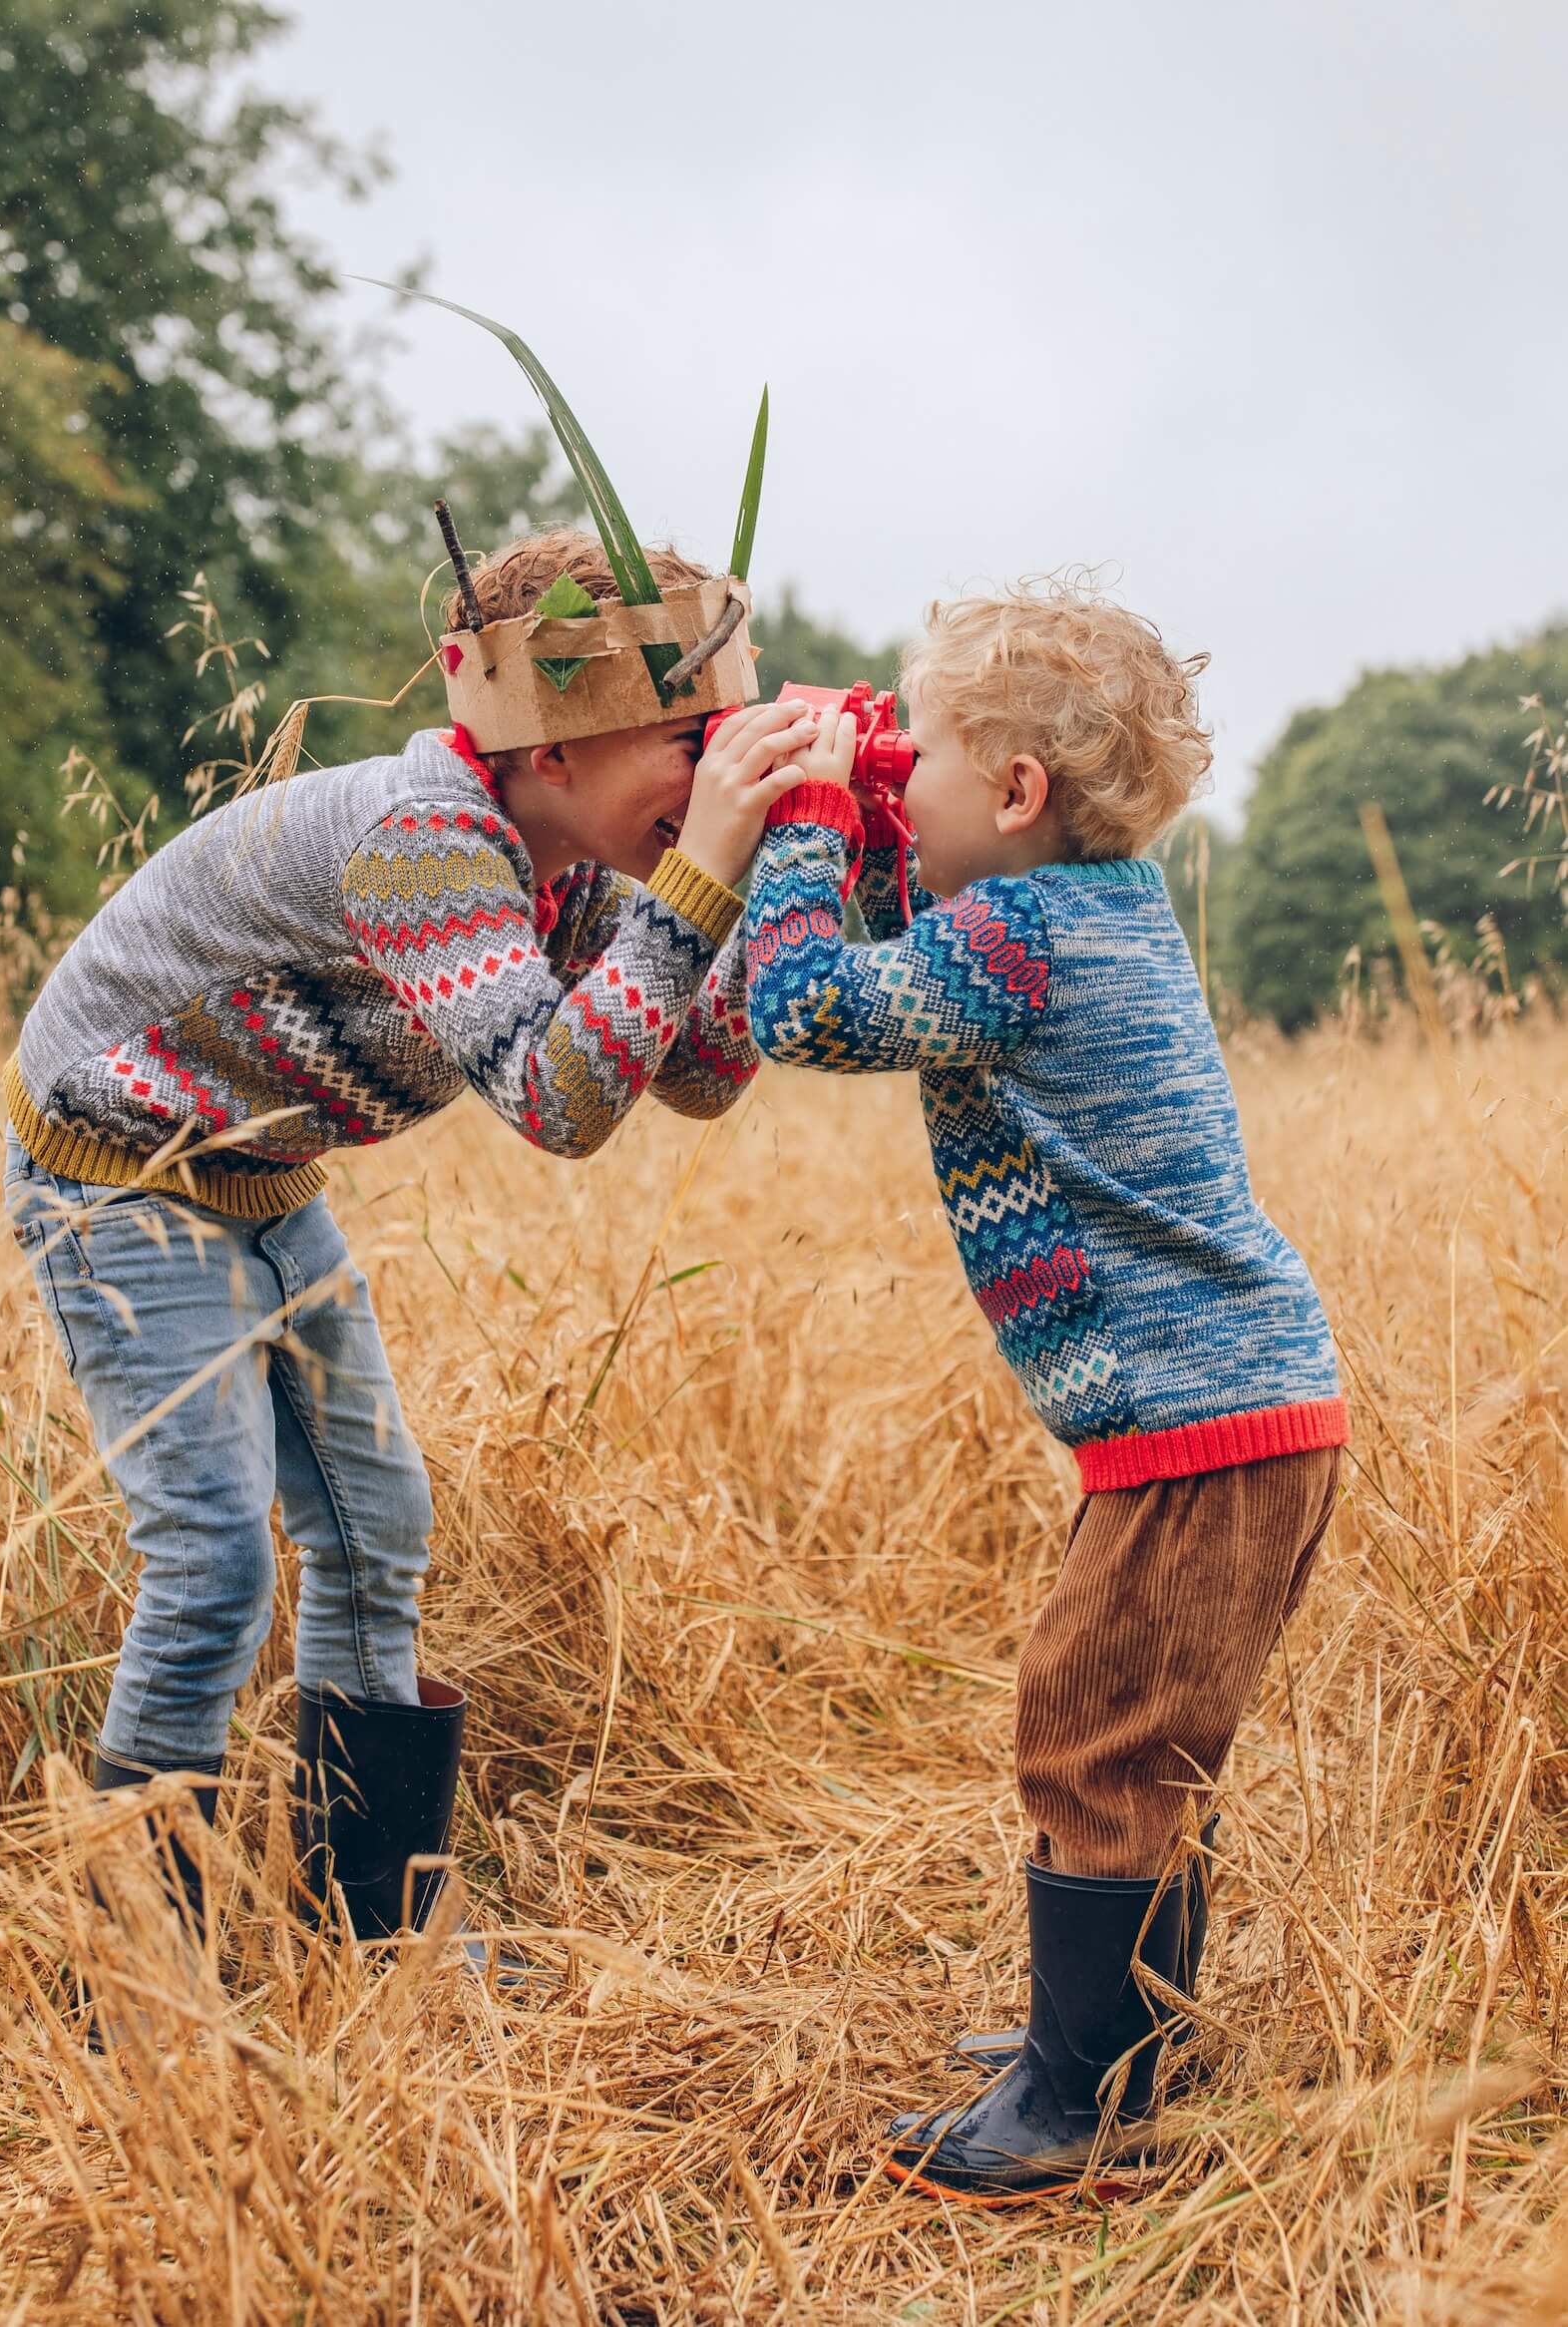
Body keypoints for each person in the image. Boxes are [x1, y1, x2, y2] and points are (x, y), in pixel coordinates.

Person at [3, 526, 817, 1945]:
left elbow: (695, 1073)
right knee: (212, 1559)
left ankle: (364, 1928)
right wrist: (696, 888)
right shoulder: (425, 845)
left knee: (378, 1533)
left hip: (256, 1185)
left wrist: (760, 881)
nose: (714, 773)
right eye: (687, 740)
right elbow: (560, 1105)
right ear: (551, 748)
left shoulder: (557, 876)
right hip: (116, 1174)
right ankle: (130, 1985)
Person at [743, 580, 1347, 2203]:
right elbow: (904, 940)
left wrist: (802, 809)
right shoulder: (1081, 911)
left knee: (1089, 1729)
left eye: (918, 756)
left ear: (1013, 795)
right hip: (1234, 1409)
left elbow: (804, 1000)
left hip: (1194, 1423)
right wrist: (873, 801)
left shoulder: (1013, 942)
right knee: (1152, 1743)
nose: (897, 782)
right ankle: (1119, 2040)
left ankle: (1088, 2100)